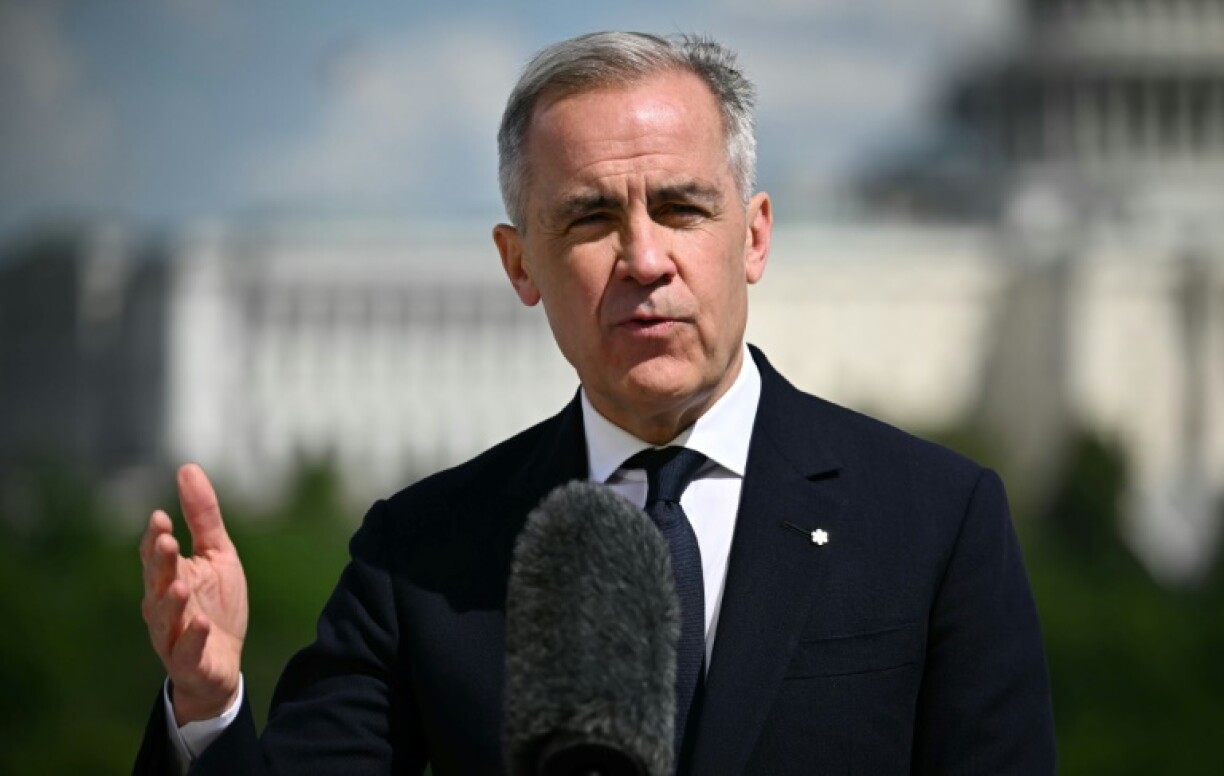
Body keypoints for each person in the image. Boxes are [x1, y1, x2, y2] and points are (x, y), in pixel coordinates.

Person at [136, 31, 1055, 775]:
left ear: (755, 237)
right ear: (519, 263)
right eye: (589, 218)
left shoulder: (933, 520)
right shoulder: (419, 556)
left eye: (682, 208)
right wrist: (208, 707)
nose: (645, 258)